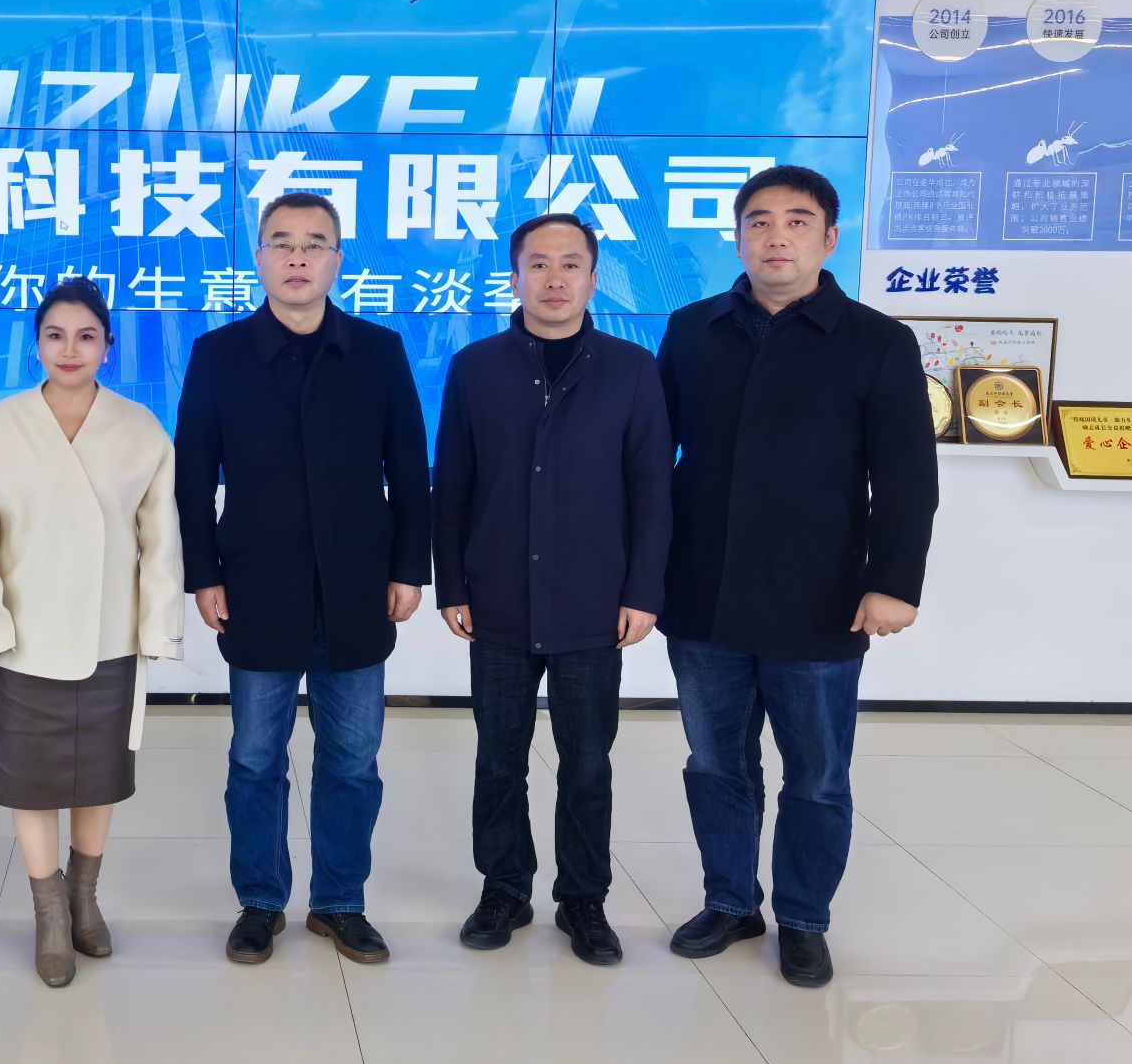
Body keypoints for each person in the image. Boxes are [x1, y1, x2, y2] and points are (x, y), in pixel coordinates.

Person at [657, 165, 938, 989]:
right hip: (702, 592)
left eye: (797, 221)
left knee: (816, 774)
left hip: (821, 599)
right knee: (716, 764)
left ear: (829, 238)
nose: (776, 237)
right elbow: (650, 457)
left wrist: (893, 581)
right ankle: (730, 902)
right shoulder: (693, 329)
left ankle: (806, 918)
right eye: (760, 221)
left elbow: (907, 477)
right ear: (737, 237)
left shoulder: (878, 341)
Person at [175, 191, 431, 967]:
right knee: (256, 758)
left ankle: (341, 901)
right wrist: (203, 572)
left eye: (314, 243)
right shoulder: (219, 354)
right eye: (281, 242)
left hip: (357, 586)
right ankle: (260, 901)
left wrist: (409, 567)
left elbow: (409, 467)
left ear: (337, 261)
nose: (297, 256)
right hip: (257, 585)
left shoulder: (378, 351)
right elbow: (193, 474)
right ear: (258, 258)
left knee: (351, 759)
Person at [433, 214, 671, 965]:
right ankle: (503, 888)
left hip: (593, 603)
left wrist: (643, 590)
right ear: (515, 276)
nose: (556, 278)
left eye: (572, 264)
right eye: (539, 264)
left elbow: (652, 493)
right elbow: (453, 486)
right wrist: (452, 584)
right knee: (499, 756)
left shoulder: (632, 369)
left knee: (588, 760)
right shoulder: (476, 368)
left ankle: (583, 899)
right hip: (497, 600)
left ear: (594, 278)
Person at [0, 277, 183, 988]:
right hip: (23, 638)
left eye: (86, 336)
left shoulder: (140, 429)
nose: (70, 349)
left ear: (108, 345)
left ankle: (84, 899)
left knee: (97, 777)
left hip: (110, 634)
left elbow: (161, 540)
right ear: (36, 345)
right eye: (55, 335)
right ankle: (49, 912)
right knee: (31, 782)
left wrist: (158, 627)